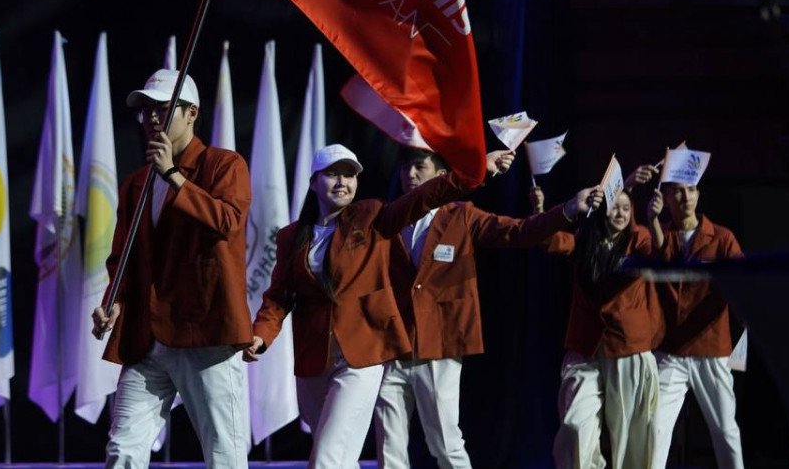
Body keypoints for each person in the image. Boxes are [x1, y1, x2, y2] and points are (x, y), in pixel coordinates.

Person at [244, 143, 487, 468]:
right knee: (336, 458)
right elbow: (279, 295)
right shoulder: (292, 236)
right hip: (313, 359)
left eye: (349, 175)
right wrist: (261, 334)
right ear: (314, 182)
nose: (342, 182)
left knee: (327, 458)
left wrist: (473, 171)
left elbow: (422, 198)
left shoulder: (371, 216)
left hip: (360, 358)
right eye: (332, 174)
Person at [374, 146, 600, 469]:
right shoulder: (389, 217)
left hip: (438, 345)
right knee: (389, 446)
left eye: (419, 167)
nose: (409, 174)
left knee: (444, 442)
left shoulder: (461, 216)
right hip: (392, 345)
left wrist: (568, 209)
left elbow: (519, 232)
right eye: (405, 167)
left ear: (442, 175)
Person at [91, 69, 252, 469]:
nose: (151, 118)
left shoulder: (224, 164)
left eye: (162, 109)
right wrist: (113, 302)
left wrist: (174, 176)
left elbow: (228, 222)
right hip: (147, 336)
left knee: (225, 453)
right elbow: (123, 257)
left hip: (205, 332)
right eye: (145, 110)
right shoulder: (135, 183)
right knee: (123, 448)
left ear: (191, 113)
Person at [532, 185, 663, 469]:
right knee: (575, 425)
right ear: (602, 210)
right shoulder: (585, 239)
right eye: (615, 207)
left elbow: (659, 254)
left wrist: (653, 219)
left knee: (631, 439)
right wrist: (540, 210)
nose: (621, 214)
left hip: (627, 347)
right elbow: (550, 240)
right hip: (586, 348)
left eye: (626, 209)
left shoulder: (638, 238)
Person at [646, 181, 745, 469]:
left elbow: (744, 282)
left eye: (691, 189)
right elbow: (656, 257)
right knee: (655, 428)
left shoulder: (722, 237)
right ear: (666, 197)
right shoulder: (660, 236)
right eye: (678, 190)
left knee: (725, 430)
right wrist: (652, 220)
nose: (686, 196)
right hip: (671, 351)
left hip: (711, 348)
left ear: (699, 194)